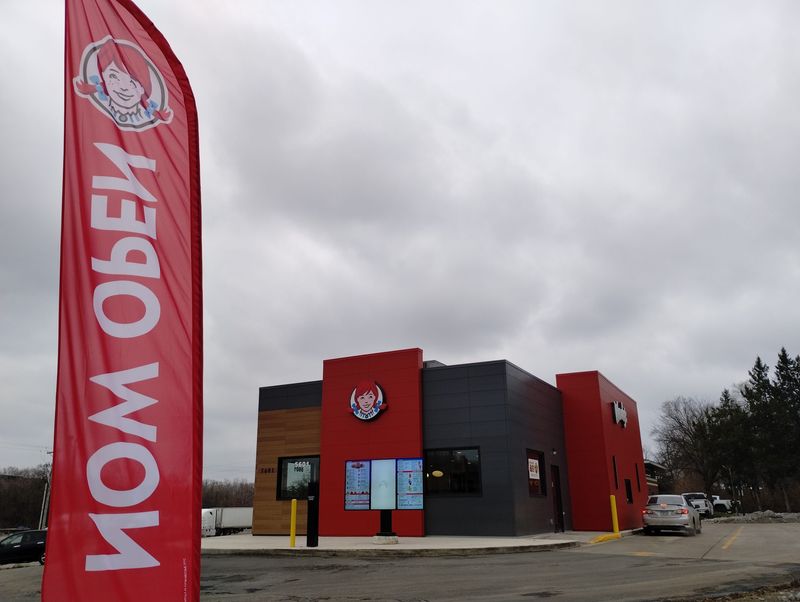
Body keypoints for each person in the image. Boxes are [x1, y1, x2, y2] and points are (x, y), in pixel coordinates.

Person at [75, 38, 170, 125]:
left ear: (142, 88)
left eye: (132, 82)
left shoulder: (144, 117)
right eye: (113, 76)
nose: (123, 87)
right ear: (103, 76)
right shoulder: (92, 113)